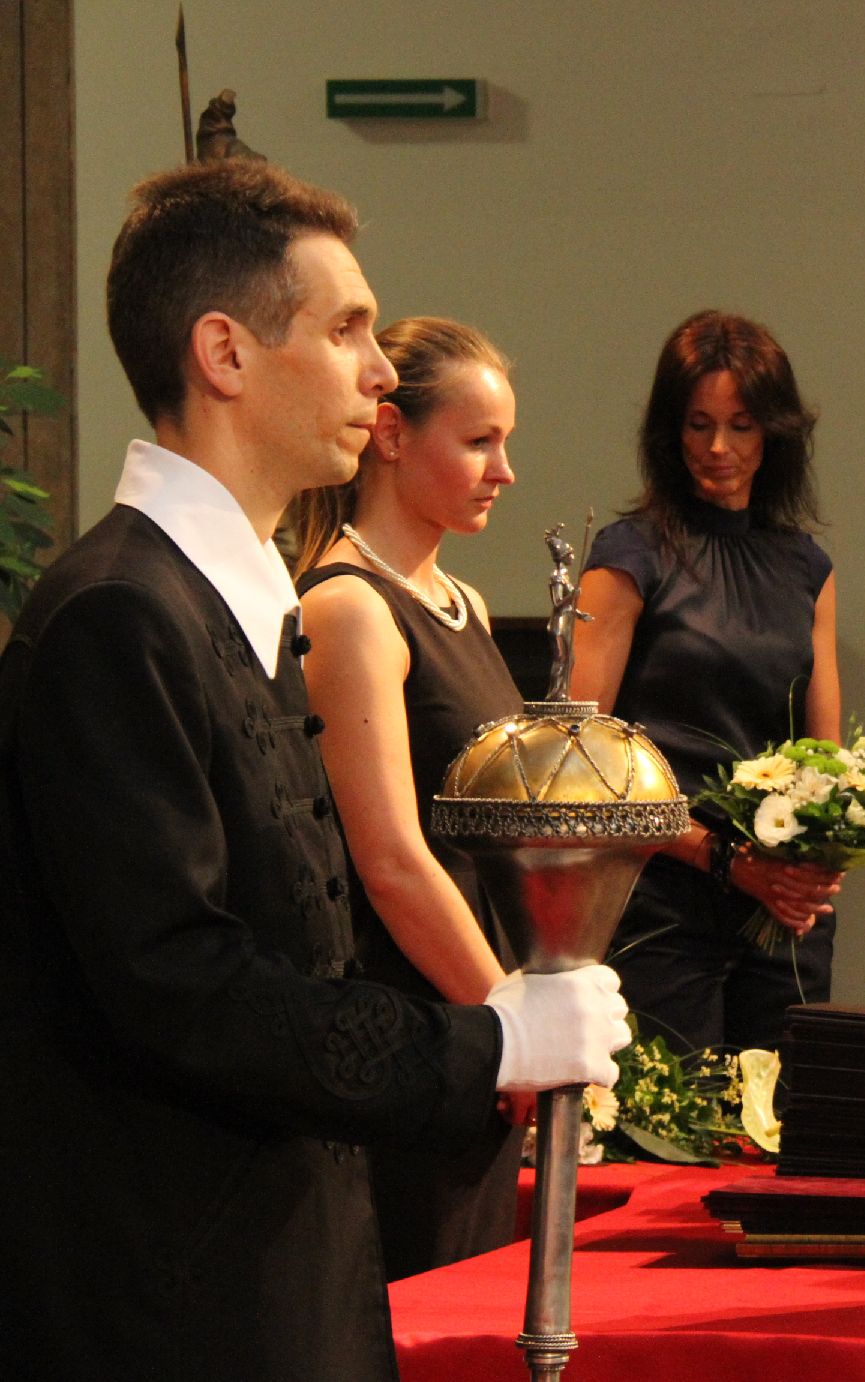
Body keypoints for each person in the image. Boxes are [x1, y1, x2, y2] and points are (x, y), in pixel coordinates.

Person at [0, 161, 629, 1379]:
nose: (380, 370)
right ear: (225, 354)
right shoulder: (117, 615)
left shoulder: (232, 604)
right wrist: (486, 1044)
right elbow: (182, 982)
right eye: (346, 329)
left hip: (280, 1267)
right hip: (170, 1303)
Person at [288, 317, 527, 1280]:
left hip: (476, 1010)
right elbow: (388, 857)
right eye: (478, 441)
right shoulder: (349, 606)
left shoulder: (461, 603)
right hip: (418, 1029)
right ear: (389, 434)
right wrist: (511, 1022)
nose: (503, 470)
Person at [571, 311, 842, 1054]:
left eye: (741, 426)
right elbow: (581, 765)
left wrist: (817, 864)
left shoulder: (807, 568)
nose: (719, 448)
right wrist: (720, 859)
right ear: (670, 430)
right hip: (662, 902)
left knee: (779, 1110)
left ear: (774, 433)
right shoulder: (629, 557)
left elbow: (829, 761)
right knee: (673, 1113)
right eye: (699, 425)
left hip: (779, 910)